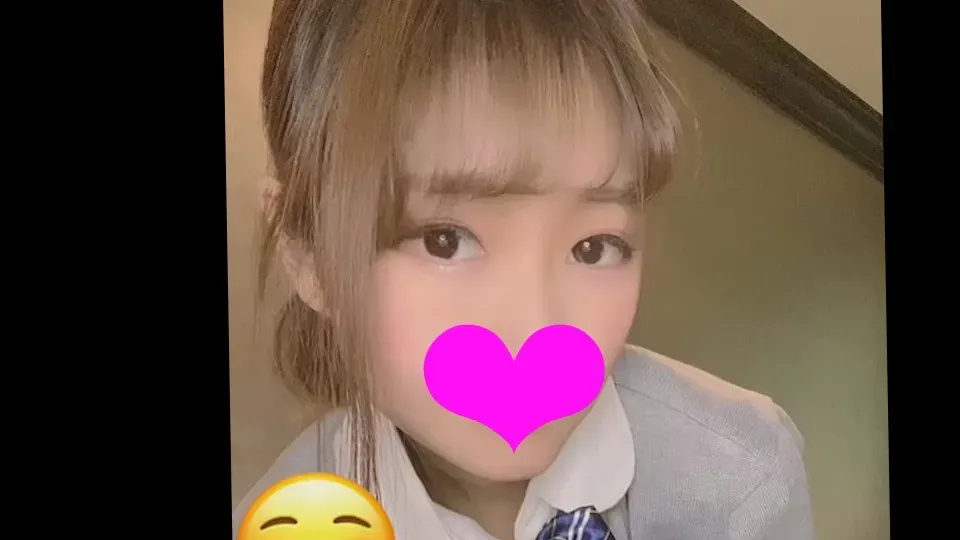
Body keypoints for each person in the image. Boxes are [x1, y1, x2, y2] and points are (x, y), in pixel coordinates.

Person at [232, 0, 815, 538]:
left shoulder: (739, 481)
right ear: (306, 253)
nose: (537, 331)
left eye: (594, 247)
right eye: (445, 242)